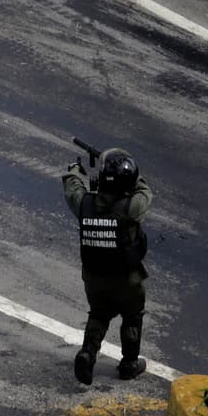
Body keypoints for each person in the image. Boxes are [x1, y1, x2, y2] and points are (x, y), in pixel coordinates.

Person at [62, 148, 153, 385]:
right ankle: (129, 364)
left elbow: (73, 187)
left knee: (99, 314)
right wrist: (131, 172)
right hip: (127, 279)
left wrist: (74, 170)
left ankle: (87, 353)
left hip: (94, 278)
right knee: (132, 316)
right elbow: (145, 191)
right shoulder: (131, 207)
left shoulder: (85, 205)